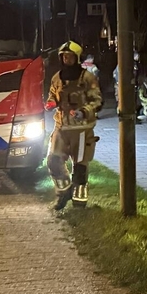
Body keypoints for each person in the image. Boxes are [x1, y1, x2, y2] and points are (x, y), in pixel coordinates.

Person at [45, 41, 102, 210]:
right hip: (61, 128)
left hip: (81, 129)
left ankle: (79, 203)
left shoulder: (87, 78)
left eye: (70, 56)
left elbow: (97, 101)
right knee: (53, 161)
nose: (66, 59)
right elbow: (52, 96)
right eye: (64, 56)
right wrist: (50, 103)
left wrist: (83, 111)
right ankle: (64, 192)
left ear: (77, 58)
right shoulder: (57, 78)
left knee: (80, 167)